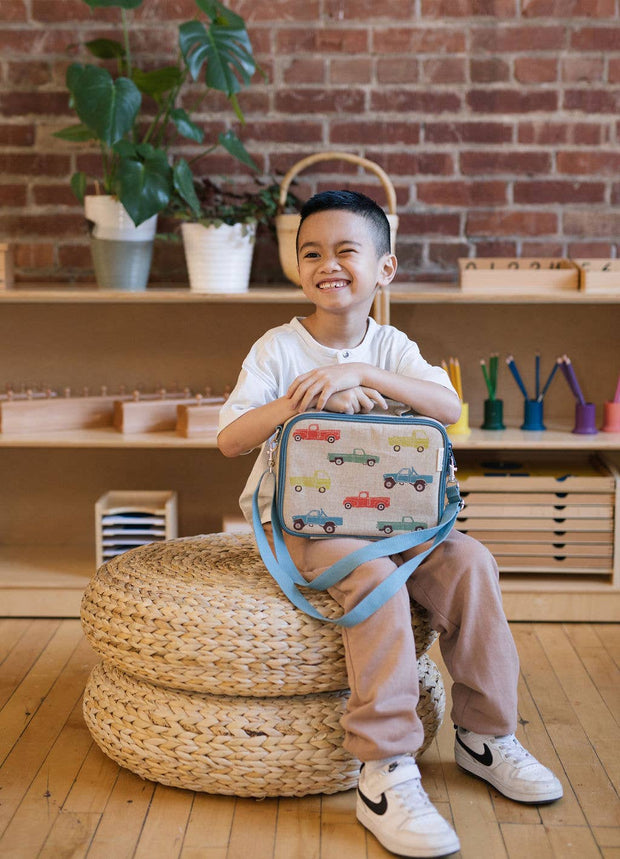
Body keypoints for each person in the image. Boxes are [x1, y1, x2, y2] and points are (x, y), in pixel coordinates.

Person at [217, 190, 562, 858]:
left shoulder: (392, 345)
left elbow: (449, 406)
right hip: (310, 519)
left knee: (471, 563)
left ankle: (485, 735)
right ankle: (385, 768)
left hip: (396, 514)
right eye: (312, 252)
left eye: (348, 250)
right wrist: (299, 399)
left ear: (385, 269)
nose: (329, 264)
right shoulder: (278, 348)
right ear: (298, 268)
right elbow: (230, 438)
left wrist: (364, 371)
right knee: (374, 579)